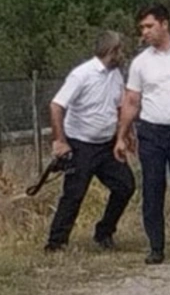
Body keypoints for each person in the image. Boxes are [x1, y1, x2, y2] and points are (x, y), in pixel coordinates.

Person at [115, 4, 170, 264]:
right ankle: (156, 246)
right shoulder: (141, 63)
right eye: (142, 28)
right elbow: (131, 101)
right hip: (152, 131)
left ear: (165, 24)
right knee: (153, 189)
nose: (145, 32)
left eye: (149, 26)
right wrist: (121, 135)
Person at [44, 31, 135, 252]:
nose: (122, 55)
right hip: (81, 144)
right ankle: (56, 243)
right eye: (120, 50)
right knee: (74, 195)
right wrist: (60, 141)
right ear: (111, 50)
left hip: (106, 145)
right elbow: (56, 106)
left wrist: (124, 136)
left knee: (125, 186)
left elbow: (120, 106)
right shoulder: (81, 75)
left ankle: (104, 232)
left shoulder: (116, 75)